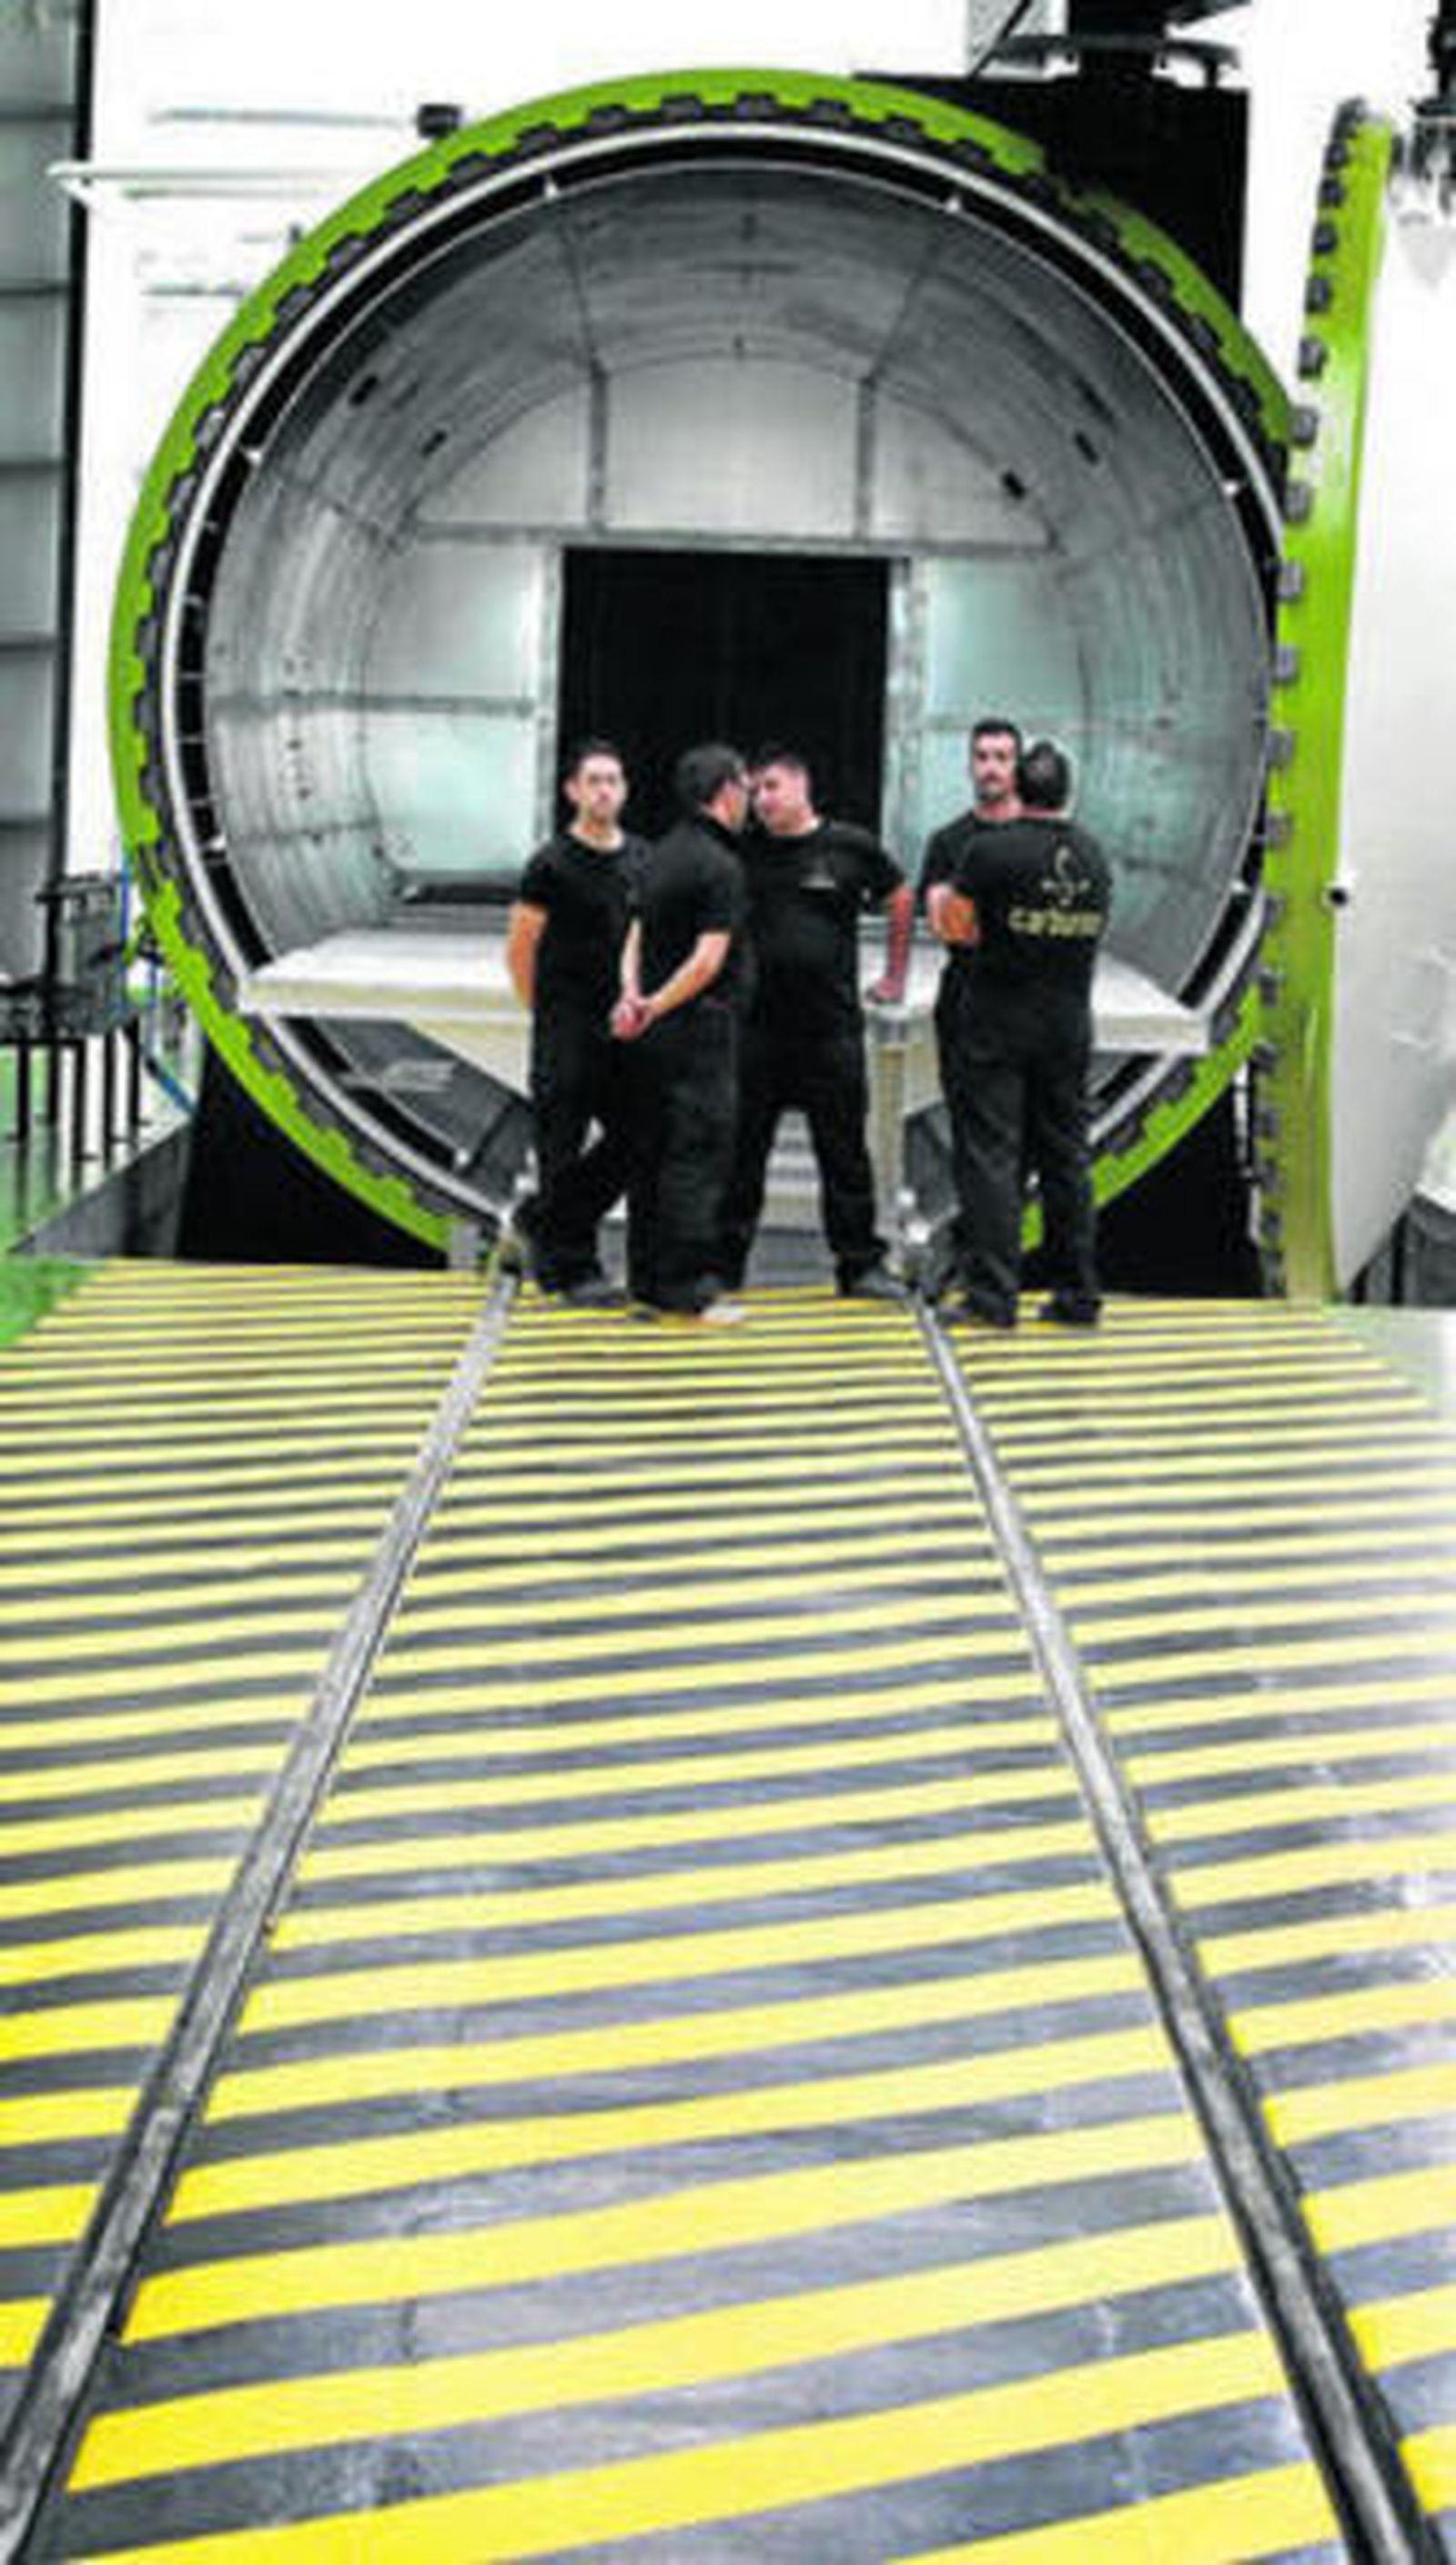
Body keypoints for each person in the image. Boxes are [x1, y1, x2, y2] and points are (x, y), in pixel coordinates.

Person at [925, 735, 1112, 1329]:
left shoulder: (989, 852)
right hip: (1067, 1026)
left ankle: (993, 1295)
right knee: (1066, 1162)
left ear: (1020, 787)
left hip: (997, 1026)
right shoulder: (1094, 857)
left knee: (992, 1159)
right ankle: (1079, 1293)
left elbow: (955, 929)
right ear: (1066, 791)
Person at [719, 745, 912, 1298]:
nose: (762, 800)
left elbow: (900, 895)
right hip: (757, 1031)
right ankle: (724, 1266)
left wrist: (896, 976)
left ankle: (859, 1266)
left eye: (772, 787)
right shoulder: (742, 850)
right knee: (741, 1155)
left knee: (845, 1154)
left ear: (802, 786)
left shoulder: (848, 847)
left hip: (830, 1032)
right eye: (755, 791)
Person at [612, 742, 751, 1323]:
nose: (748, 798)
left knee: (650, 1155)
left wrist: (633, 996)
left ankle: (645, 1278)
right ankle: (689, 1288)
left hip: (652, 1038)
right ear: (724, 793)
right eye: (743, 786)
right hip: (697, 1032)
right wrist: (660, 1004)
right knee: (697, 1157)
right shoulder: (722, 866)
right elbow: (707, 960)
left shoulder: (659, 854)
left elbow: (636, 937)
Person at [504, 739, 647, 1306]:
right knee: (559, 1147)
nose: (604, 790)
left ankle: (542, 1220)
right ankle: (574, 1267)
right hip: (565, 1027)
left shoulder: (642, 858)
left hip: (620, 1027)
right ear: (572, 791)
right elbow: (521, 950)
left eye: (613, 780)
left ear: (625, 789)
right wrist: (544, 1014)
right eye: (593, 781)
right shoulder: (550, 864)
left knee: (636, 1136)